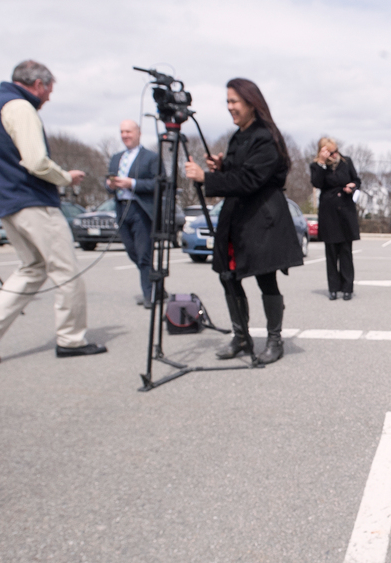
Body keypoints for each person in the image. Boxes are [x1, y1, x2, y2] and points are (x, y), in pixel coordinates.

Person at [0, 59, 107, 362]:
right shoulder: (19, 106)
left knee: (33, 268)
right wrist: (66, 177)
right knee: (66, 272)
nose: (49, 97)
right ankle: (71, 339)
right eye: (49, 90)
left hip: (7, 205)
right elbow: (36, 162)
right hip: (33, 202)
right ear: (38, 84)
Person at [184, 78, 302, 364]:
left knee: (266, 278)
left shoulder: (266, 136)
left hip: (261, 218)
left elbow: (251, 179)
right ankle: (241, 336)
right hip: (236, 217)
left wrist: (207, 178)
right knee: (228, 276)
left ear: (251, 102)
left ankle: (275, 340)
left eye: (234, 101)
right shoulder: (238, 135)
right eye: (227, 102)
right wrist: (222, 167)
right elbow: (241, 172)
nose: (230, 107)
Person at [106, 120, 162, 308]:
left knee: (144, 254)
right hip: (122, 208)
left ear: (138, 133)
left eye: (128, 131)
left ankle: (149, 296)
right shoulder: (116, 157)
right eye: (122, 132)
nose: (125, 135)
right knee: (133, 252)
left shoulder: (151, 157)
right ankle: (158, 286)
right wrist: (110, 185)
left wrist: (132, 184)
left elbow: (159, 184)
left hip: (141, 209)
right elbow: (107, 183)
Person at [309, 137, 361, 300]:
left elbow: (357, 180)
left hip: (345, 211)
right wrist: (322, 164)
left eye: (336, 151)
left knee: (346, 251)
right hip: (329, 212)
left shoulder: (346, 162)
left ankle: (347, 288)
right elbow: (317, 183)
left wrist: (352, 187)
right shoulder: (317, 166)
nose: (334, 155)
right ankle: (333, 287)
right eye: (330, 153)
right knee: (331, 252)